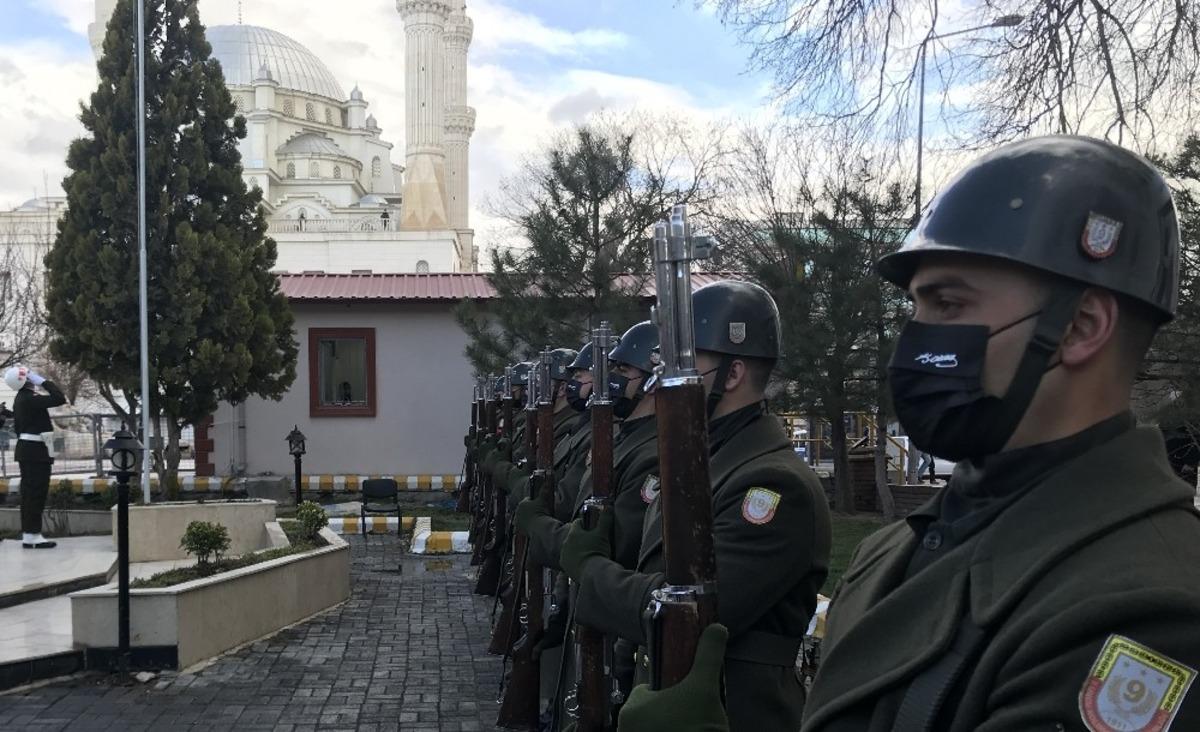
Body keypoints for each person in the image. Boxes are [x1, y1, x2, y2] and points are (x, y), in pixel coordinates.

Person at [621, 135, 1200, 732]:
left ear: (1081, 328)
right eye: (915, 309)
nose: (915, 339)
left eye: (948, 305)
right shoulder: (896, 547)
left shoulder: (1149, 611)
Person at [561, 281, 832, 732]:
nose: (661, 382)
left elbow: (692, 613)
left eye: (685, 366)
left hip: (732, 712)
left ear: (733, 374)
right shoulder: (704, 459)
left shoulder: (773, 486)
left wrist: (590, 571)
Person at [8, 365, 66, 549]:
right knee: (35, 493)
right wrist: (43, 382)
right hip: (35, 452)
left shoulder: (21, 399)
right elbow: (59, 398)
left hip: (30, 451)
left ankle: (30, 533)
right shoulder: (29, 398)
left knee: (30, 493)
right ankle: (32, 535)